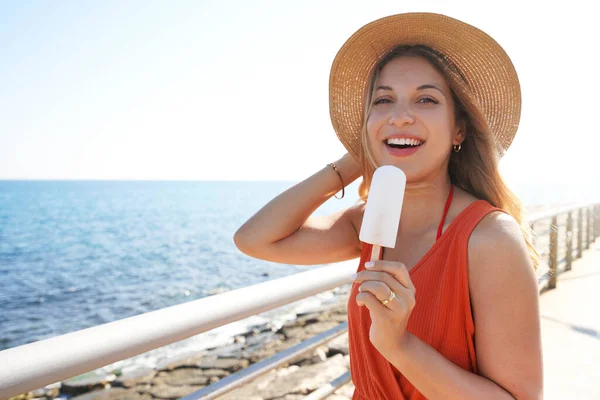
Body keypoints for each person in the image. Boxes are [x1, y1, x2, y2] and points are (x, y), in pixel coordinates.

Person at [234, 12, 543, 400]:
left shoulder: (489, 238)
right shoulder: (367, 222)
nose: (400, 116)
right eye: (383, 101)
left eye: (426, 99)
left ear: (459, 128)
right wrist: (354, 161)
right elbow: (254, 239)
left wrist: (400, 346)